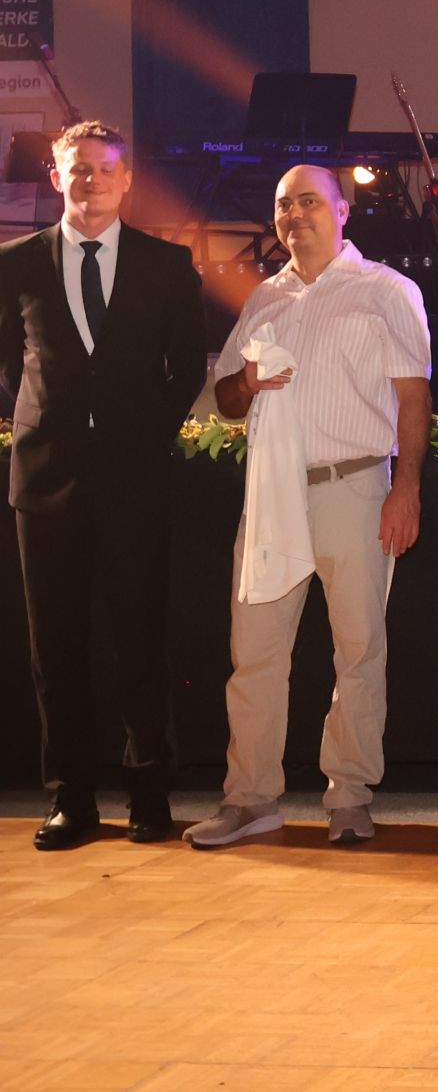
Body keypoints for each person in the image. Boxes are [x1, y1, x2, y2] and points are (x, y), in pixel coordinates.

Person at [189, 165, 431, 849]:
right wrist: (246, 382)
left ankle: (349, 797)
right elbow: (224, 401)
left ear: (341, 210)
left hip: (355, 489)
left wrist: (406, 488)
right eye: (282, 205)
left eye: (308, 201)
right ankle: (250, 800)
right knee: (255, 654)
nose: (294, 214)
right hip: (271, 496)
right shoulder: (264, 297)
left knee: (359, 650)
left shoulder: (388, 290)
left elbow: (414, 398)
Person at [1, 122, 206, 849]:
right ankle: (71, 799)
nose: (90, 179)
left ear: (127, 180)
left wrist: (141, 438)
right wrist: (51, 425)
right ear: (57, 178)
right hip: (44, 481)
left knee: (139, 641)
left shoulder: (166, 264)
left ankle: (149, 794)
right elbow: (10, 369)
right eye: (77, 168)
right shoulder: (14, 263)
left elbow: (187, 368)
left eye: (104, 168)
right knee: (54, 649)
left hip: (134, 481)